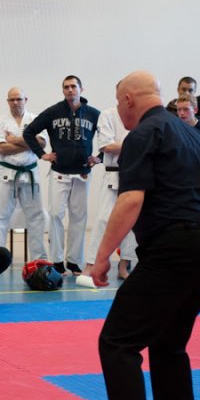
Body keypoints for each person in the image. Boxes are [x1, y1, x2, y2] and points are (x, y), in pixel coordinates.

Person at [91, 70, 200, 400]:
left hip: (178, 246)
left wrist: (101, 257)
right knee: (168, 342)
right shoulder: (193, 134)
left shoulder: (143, 134)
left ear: (127, 100)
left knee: (117, 342)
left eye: (117, 103)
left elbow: (131, 200)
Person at [23, 75, 100, 275]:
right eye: (66, 87)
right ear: (63, 90)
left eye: (73, 86)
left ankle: (74, 261)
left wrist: (99, 157)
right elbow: (28, 132)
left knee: (79, 218)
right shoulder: (53, 112)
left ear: (81, 89)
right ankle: (57, 260)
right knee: (56, 215)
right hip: (59, 173)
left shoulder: (93, 114)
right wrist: (42, 154)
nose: (70, 90)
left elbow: (109, 135)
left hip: (82, 173)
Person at [0, 87, 48, 261]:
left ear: (26, 99)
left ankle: (38, 259)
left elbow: (42, 143)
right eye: (12, 99)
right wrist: (30, 143)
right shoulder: (0, 121)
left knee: (36, 217)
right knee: (0, 216)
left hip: (30, 172)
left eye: (19, 99)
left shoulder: (35, 119)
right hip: (7, 173)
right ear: (7, 101)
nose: (15, 102)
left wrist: (13, 140)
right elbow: (0, 148)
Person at [84, 107, 137, 280]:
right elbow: (106, 146)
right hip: (113, 173)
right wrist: (137, 144)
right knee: (103, 220)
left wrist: (125, 145)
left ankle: (124, 265)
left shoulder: (142, 114)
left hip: (136, 173)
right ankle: (91, 264)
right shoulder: (108, 115)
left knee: (132, 222)